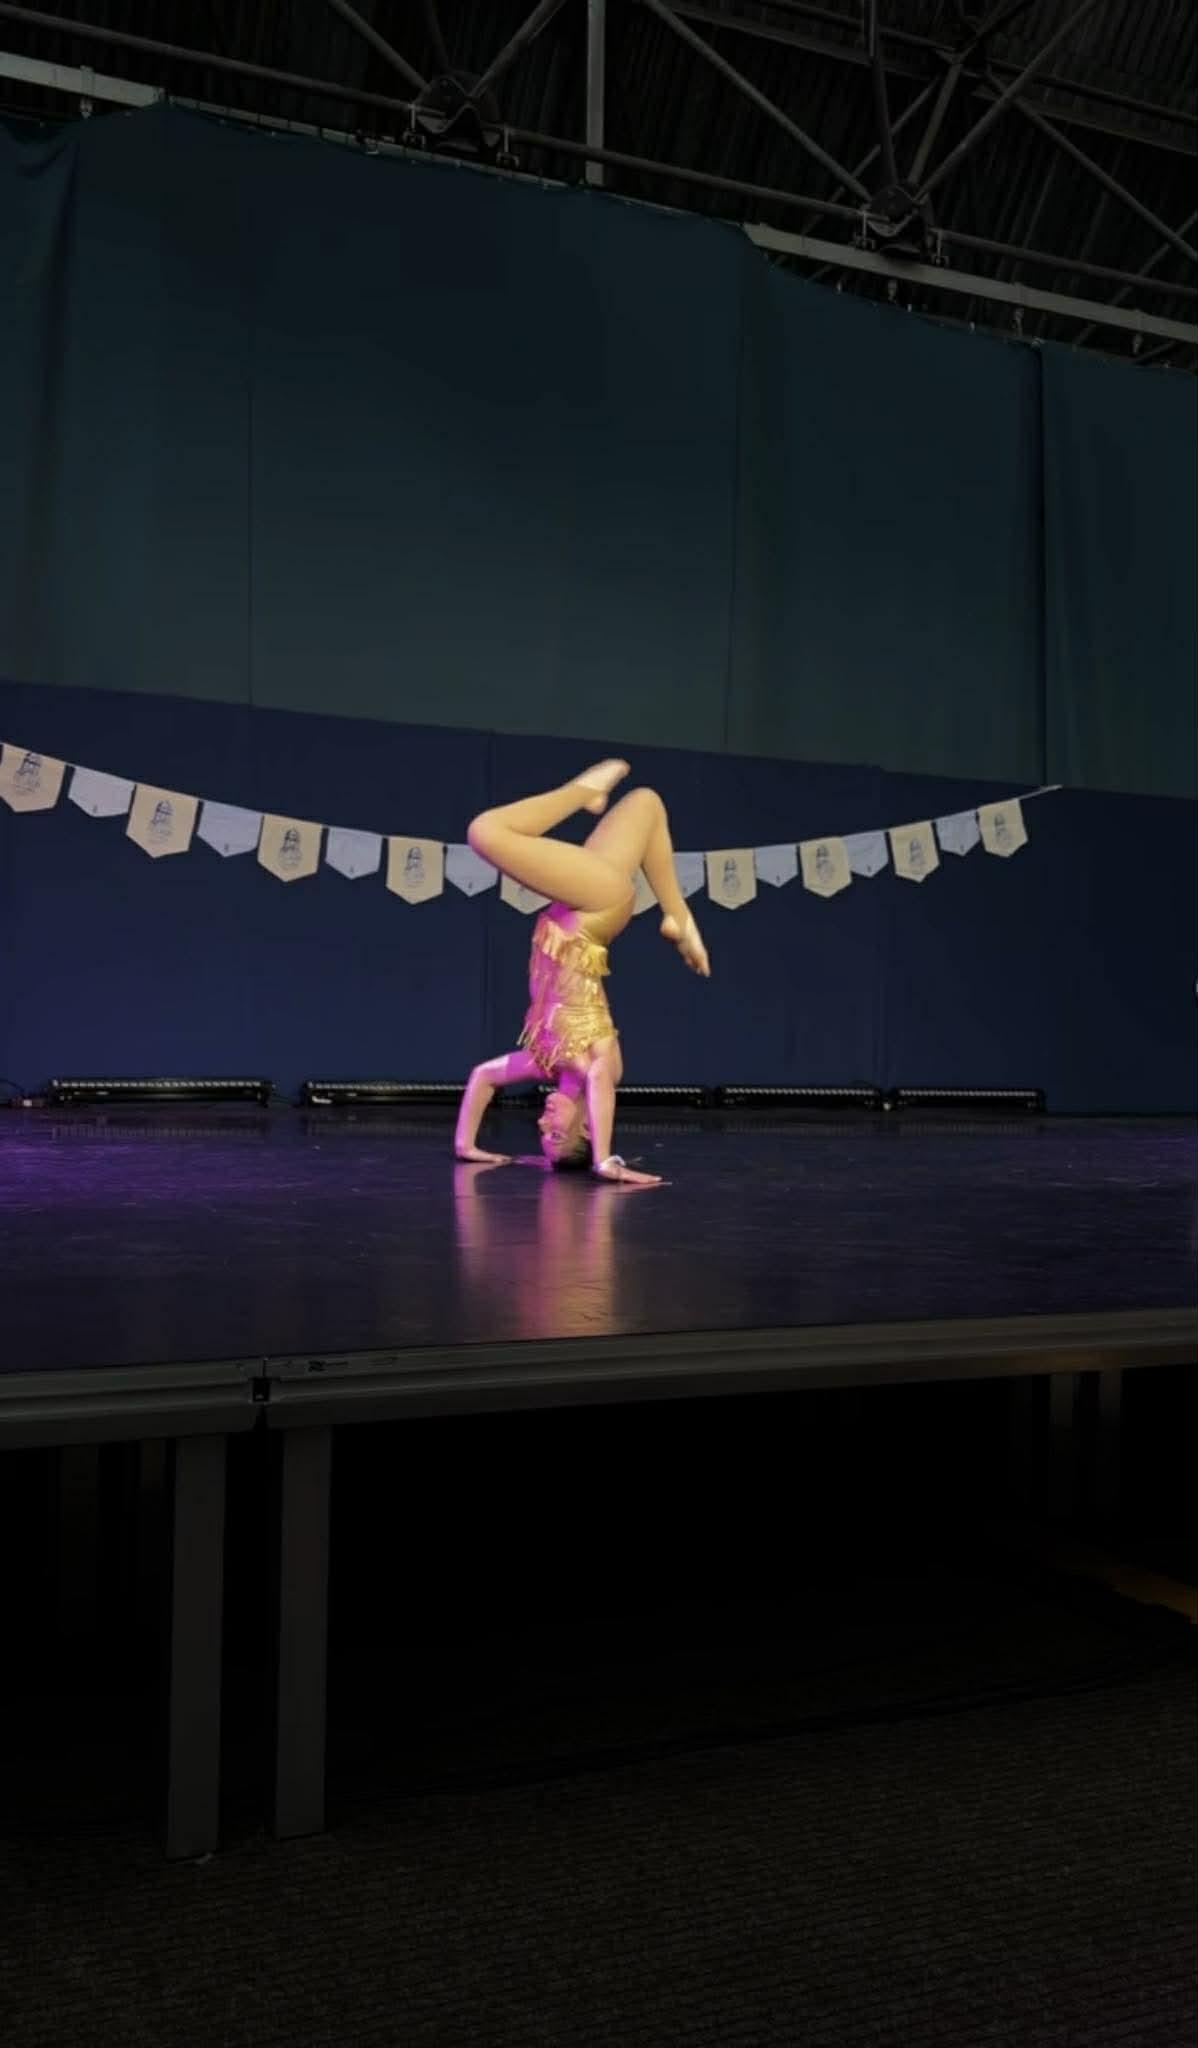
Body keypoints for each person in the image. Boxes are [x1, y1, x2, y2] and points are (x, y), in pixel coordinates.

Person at [453, 760, 709, 1186]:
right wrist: (604, 1160)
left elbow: (483, 1077)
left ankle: (678, 918)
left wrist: (466, 1144)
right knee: (485, 832)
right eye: (555, 1134)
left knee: (645, 803)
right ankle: (580, 794)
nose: (541, 1124)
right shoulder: (599, 1065)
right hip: (598, 906)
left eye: (542, 1135)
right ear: (587, 1126)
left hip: (579, 903)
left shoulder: (545, 1063)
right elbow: (599, 1080)